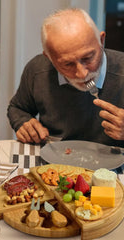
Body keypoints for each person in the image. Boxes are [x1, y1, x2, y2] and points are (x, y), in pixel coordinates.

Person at [7, 8, 124, 147]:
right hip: (55, 163)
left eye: (87, 58)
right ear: (49, 58)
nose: (82, 74)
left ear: (101, 40)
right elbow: (18, 108)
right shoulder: (37, 70)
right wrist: (22, 122)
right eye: (67, 64)